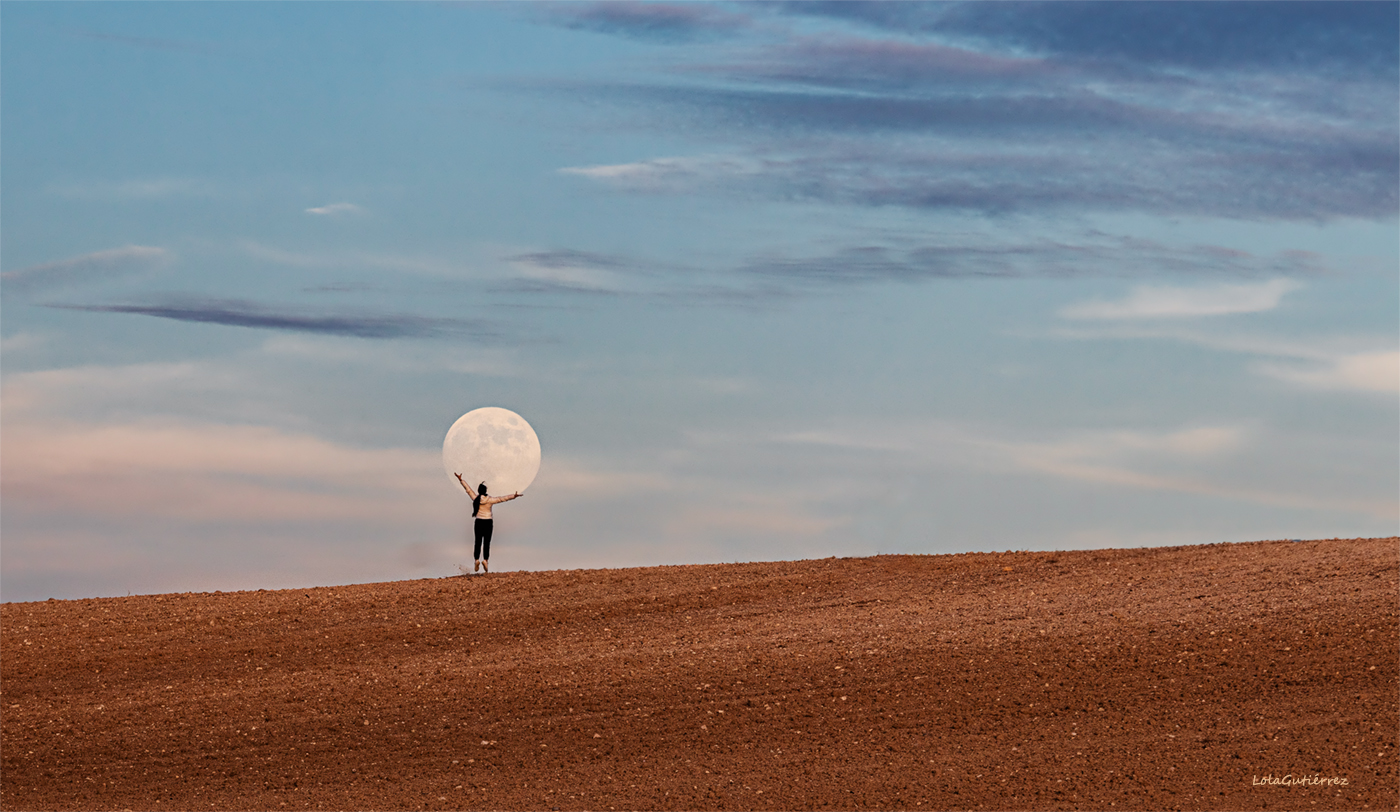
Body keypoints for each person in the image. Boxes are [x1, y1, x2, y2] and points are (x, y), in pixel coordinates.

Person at [455, 473, 520, 573]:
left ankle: (476, 560)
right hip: (488, 522)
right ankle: (485, 560)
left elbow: (467, 490)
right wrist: (513, 496)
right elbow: (502, 499)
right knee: (486, 542)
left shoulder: (475, 499)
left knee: (478, 542)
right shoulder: (490, 500)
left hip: (478, 522)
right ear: (485, 491)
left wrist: (461, 480)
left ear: (478, 491)